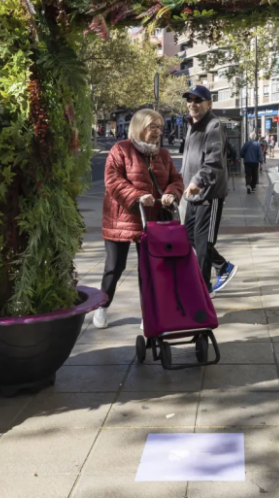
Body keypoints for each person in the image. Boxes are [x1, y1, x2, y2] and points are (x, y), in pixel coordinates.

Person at [95, 109, 183, 329]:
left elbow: (176, 179)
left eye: (159, 127)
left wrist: (172, 193)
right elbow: (113, 180)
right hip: (122, 219)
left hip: (151, 221)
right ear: (139, 126)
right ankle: (102, 306)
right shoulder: (121, 149)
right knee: (114, 267)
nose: (157, 132)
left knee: (150, 268)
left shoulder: (162, 155)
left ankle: (149, 312)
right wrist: (136, 196)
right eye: (152, 126)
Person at [181, 85, 238, 294]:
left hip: (209, 193)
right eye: (190, 100)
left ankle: (204, 291)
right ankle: (223, 266)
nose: (193, 104)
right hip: (192, 195)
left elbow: (214, 161)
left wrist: (197, 181)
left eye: (198, 100)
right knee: (188, 235)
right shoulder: (191, 125)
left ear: (209, 104)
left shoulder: (213, 125)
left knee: (203, 243)